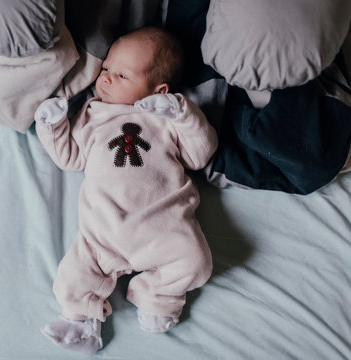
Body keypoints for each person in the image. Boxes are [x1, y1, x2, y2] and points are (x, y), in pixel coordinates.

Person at [34, 27, 218, 354]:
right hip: (104, 228)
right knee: (71, 277)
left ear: (157, 90)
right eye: (106, 69)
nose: (105, 78)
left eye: (121, 75)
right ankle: (82, 321)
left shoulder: (167, 117)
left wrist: (182, 114)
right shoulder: (92, 114)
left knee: (196, 264)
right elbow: (71, 158)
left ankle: (155, 296)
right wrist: (52, 127)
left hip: (163, 226)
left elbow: (200, 153)